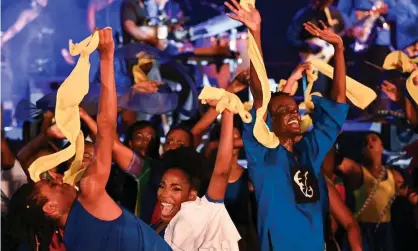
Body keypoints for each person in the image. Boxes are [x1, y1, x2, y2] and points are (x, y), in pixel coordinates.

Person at [5, 28, 171, 251]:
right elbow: (105, 125)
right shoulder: (90, 192)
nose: (59, 177)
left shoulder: (70, 239)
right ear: (51, 209)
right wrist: (106, 57)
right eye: (53, 184)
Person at [225, 0, 349, 250]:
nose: (292, 113)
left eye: (293, 108)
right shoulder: (262, 152)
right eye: (282, 111)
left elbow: (337, 105)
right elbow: (260, 95)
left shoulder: (309, 151)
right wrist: (255, 32)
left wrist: (339, 49)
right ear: (269, 122)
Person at [152, 106, 241, 250]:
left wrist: (227, 112)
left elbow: (221, 172)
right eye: (162, 186)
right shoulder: (156, 225)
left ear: (192, 193)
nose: (165, 193)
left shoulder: (203, 213)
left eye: (176, 188)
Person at [337, 132, 408, 251]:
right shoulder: (356, 172)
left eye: (373, 139)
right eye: (365, 142)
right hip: (362, 229)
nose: (369, 143)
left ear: (382, 146)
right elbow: (336, 161)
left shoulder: (395, 176)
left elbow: (409, 195)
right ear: (362, 150)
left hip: (385, 231)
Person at [287, 0, 346, 96]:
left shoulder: (335, 13)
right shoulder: (304, 15)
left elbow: (343, 32)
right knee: (317, 91)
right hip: (314, 61)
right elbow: (291, 37)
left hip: (333, 60)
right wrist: (308, 46)